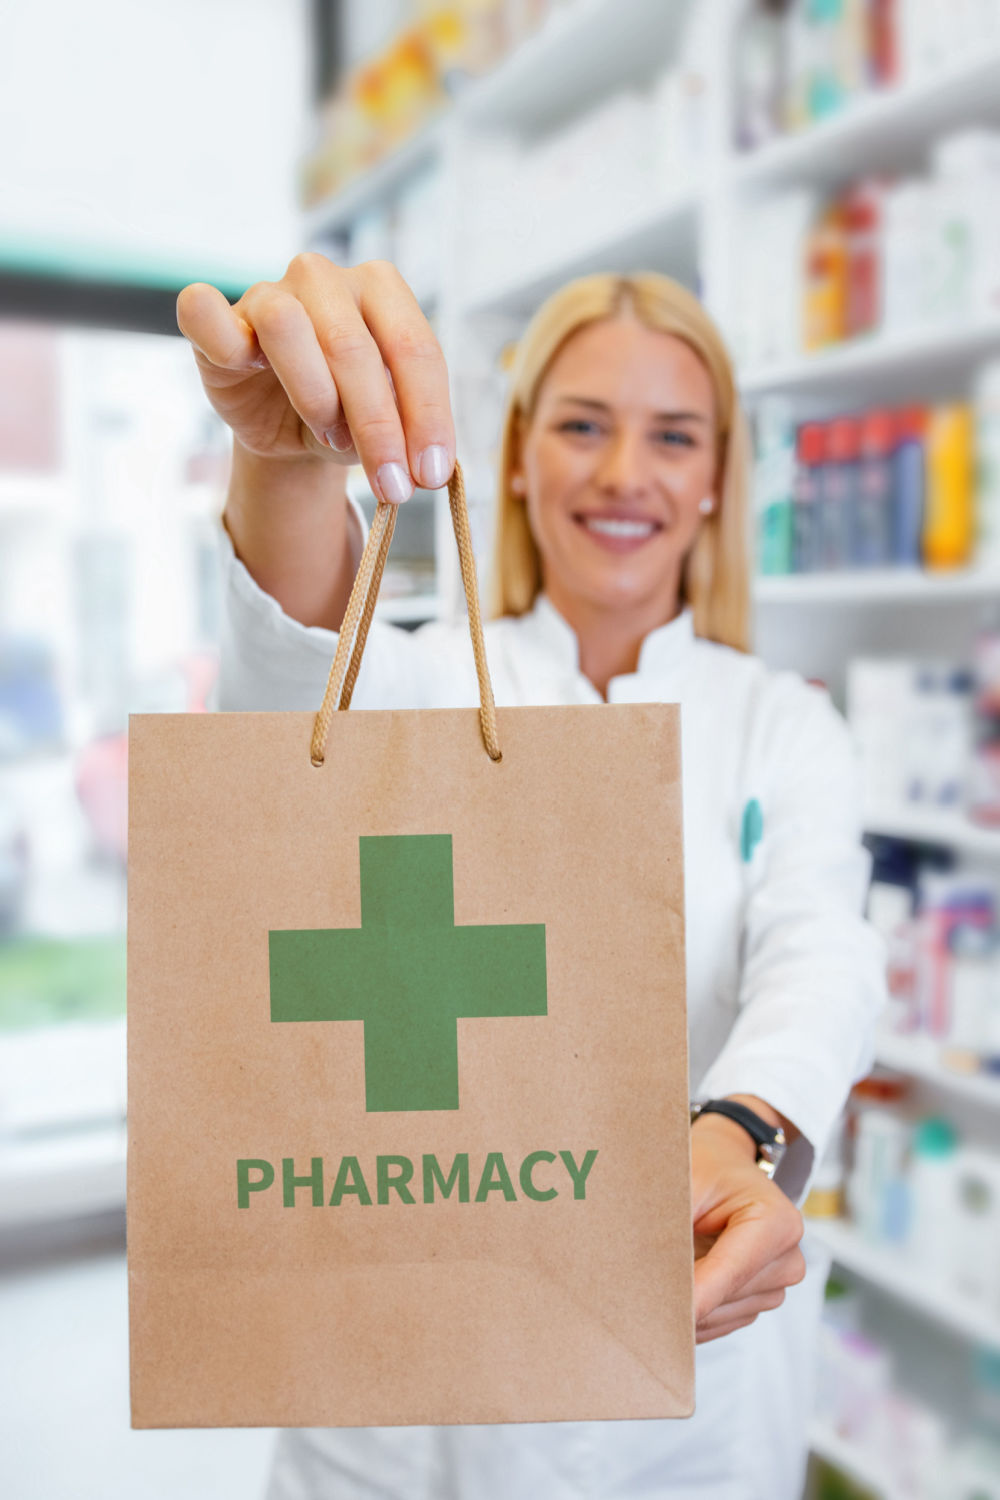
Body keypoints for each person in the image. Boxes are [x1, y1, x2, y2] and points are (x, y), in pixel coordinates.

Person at [177, 255, 886, 1500]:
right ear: (512, 456)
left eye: (673, 436)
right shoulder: (417, 680)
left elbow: (819, 949)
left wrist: (741, 1126)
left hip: (686, 1399)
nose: (624, 473)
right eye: (581, 426)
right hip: (407, 1391)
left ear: (716, 480)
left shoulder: (783, 724)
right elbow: (287, 712)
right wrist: (286, 463)